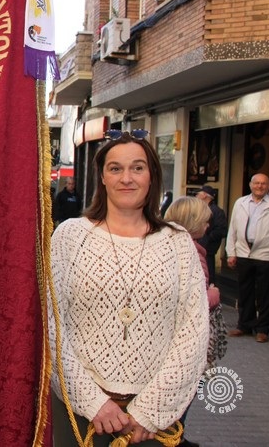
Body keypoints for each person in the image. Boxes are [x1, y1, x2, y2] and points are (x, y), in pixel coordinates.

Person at [49, 130, 208, 446]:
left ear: (151, 176)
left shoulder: (177, 242)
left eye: (137, 167)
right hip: (79, 411)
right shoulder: (70, 237)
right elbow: (51, 326)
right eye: (115, 168)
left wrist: (150, 410)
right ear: (102, 177)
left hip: (152, 419)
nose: (126, 178)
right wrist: (93, 402)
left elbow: (193, 332)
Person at [164, 196, 222, 447]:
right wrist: (213, 295)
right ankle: (174, 436)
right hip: (185, 339)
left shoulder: (167, 245)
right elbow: (191, 301)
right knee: (184, 391)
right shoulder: (191, 253)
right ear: (193, 222)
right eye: (205, 221)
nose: (208, 226)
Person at [225, 173, 269, 343]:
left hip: (266, 254)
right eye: (256, 183)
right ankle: (244, 325)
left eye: (263, 183)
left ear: (268, 186)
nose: (260, 186)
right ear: (250, 185)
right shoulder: (240, 203)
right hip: (243, 253)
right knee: (245, 292)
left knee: (265, 294)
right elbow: (233, 229)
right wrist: (231, 252)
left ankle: (262, 329)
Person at [195, 185, 228, 284]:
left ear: (204, 195)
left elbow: (221, 231)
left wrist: (205, 240)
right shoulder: (200, 209)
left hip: (208, 250)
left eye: (198, 194)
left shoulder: (217, 211)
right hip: (198, 248)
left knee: (208, 276)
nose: (196, 196)